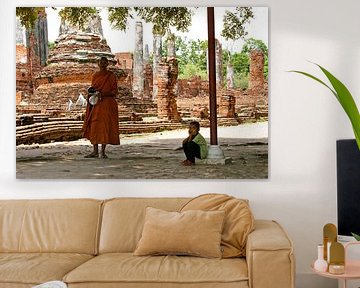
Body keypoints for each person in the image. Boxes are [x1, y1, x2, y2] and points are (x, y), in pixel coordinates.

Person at [83, 57, 120, 158]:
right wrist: (91, 94)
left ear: (107, 64)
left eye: (105, 62)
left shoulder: (111, 76)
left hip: (107, 104)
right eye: (101, 62)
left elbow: (114, 91)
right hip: (96, 104)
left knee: (105, 127)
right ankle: (95, 151)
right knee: (94, 125)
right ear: (98, 63)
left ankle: (102, 151)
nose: (103, 64)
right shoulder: (95, 75)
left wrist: (103, 94)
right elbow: (93, 89)